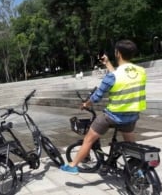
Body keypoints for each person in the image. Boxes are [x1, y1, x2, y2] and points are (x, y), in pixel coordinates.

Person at [60, 40, 147, 174]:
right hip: (132, 116)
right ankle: (137, 169)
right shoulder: (141, 72)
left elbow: (96, 97)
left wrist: (85, 104)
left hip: (113, 116)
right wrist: (107, 63)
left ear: (117, 53)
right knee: (131, 146)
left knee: (88, 139)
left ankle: (73, 165)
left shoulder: (112, 77)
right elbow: (122, 76)